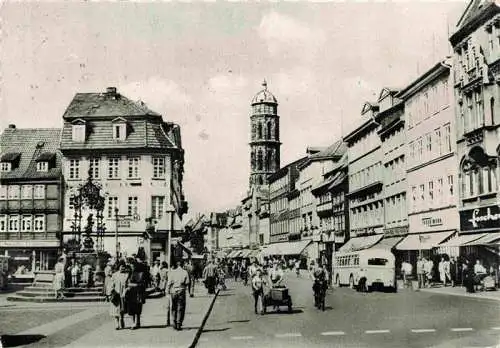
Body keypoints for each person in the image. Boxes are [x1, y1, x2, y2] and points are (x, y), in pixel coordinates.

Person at [167, 259, 190, 331]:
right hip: (181, 290)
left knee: (173, 307)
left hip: (173, 291)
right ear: (183, 265)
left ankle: (174, 322)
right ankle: (178, 324)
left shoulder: (172, 272)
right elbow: (187, 282)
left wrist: (167, 291)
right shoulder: (185, 272)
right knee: (180, 307)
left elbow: (169, 283)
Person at [126, 258, 148, 330]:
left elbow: (143, 284)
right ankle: (134, 323)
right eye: (131, 266)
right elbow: (126, 283)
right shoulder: (129, 273)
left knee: (137, 308)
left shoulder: (140, 274)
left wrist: (133, 285)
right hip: (131, 293)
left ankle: (137, 322)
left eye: (133, 266)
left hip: (137, 293)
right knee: (131, 309)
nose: (132, 267)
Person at [110, 262, 130, 330]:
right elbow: (111, 284)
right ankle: (116, 324)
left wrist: (126, 291)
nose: (122, 268)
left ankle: (122, 320)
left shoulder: (126, 275)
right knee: (115, 309)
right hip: (116, 294)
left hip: (123, 294)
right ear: (119, 267)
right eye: (121, 266)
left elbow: (128, 285)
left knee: (122, 309)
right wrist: (112, 290)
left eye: (124, 266)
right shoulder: (114, 275)